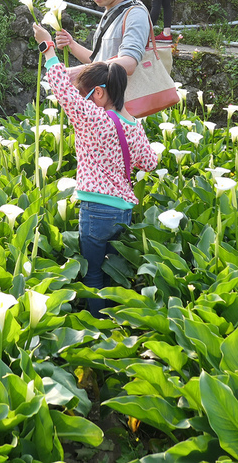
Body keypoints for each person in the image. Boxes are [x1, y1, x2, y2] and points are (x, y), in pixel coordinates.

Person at [31, 25, 159, 317]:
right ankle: (119, 322)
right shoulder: (134, 126)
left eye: (84, 94)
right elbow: (149, 163)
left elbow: (63, 91)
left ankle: (97, 327)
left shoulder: (94, 119)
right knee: (115, 273)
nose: (80, 98)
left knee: (93, 275)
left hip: (96, 209)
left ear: (99, 94)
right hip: (124, 210)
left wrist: (47, 48)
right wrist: (128, 117)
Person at [53, 0, 150, 76]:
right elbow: (99, 61)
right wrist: (71, 45)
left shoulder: (135, 14)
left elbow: (129, 63)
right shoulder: (111, 13)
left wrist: (80, 72)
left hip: (128, 95)